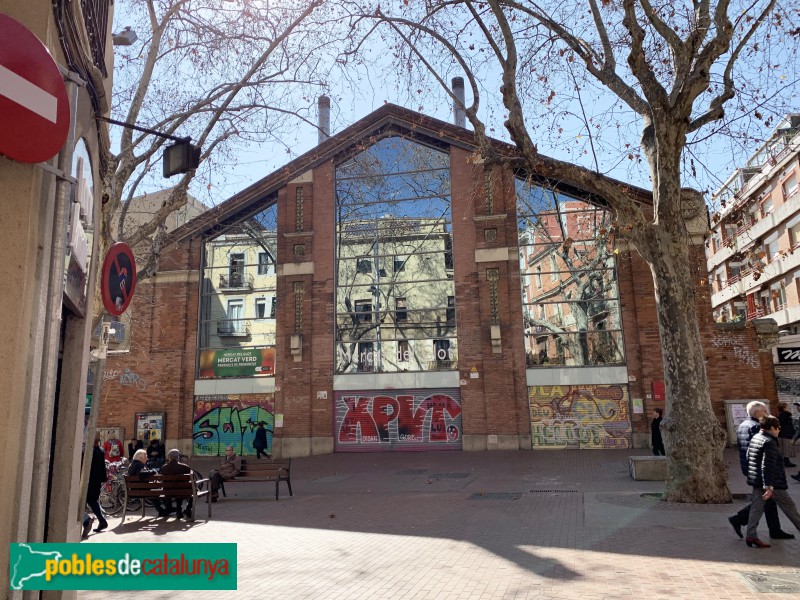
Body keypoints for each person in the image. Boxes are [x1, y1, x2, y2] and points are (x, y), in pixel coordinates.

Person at [728, 401, 794, 540]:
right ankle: (741, 520)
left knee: (766, 500)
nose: (767, 413)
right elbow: (763, 451)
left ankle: (773, 529)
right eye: (764, 411)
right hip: (762, 470)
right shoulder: (757, 427)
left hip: (751, 468)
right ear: (758, 413)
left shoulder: (743, 426)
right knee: (767, 499)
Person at [744, 415, 800, 547]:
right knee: (790, 508)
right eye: (778, 427)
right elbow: (767, 465)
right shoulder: (769, 442)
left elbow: (748, 457)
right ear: (772, 427)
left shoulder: (756, 438)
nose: (779, 430)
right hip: (773, 483)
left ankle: (751, 535)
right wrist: (768, 486)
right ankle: (751, 535)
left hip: (757, 480)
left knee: (756, 508)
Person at [128, 448, 169, 517]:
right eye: (145, 456)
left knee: (155, 490)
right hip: (141, 490)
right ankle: (166, 509)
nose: (147, 458)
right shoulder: (139, 465)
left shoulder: (132, 465)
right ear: (140, 457)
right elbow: (141, 474)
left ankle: (162, 510)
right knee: (161, 490)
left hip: (134, 490)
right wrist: (152, 471)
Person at [160, 449, 194, 519]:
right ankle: (185, 509)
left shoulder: (164, 468)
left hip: (168, 492)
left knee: (175, 488)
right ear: (178, 457)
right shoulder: (185, 467)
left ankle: (177, 510)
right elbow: (190, 480)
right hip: (183, 491)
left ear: (169, 457)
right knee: (193, 489)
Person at [86, 434, 108, 533]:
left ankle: (100, 520)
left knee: (90, 500)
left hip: (90, 480)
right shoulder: (101, 450)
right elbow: (103, 466)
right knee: (93, 500)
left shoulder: (90, 451)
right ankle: (101, 520)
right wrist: (103, 478)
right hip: (97, 480)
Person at [776, 403, 796, 467]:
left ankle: (786, 461)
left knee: (785, 448)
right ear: (784, 408)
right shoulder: (784, 415)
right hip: (785, 434)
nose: (789, 407)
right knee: (786, 448)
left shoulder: (785, 414)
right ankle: (786, 462)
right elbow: (782, 425)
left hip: (785, 433)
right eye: (787, 406)